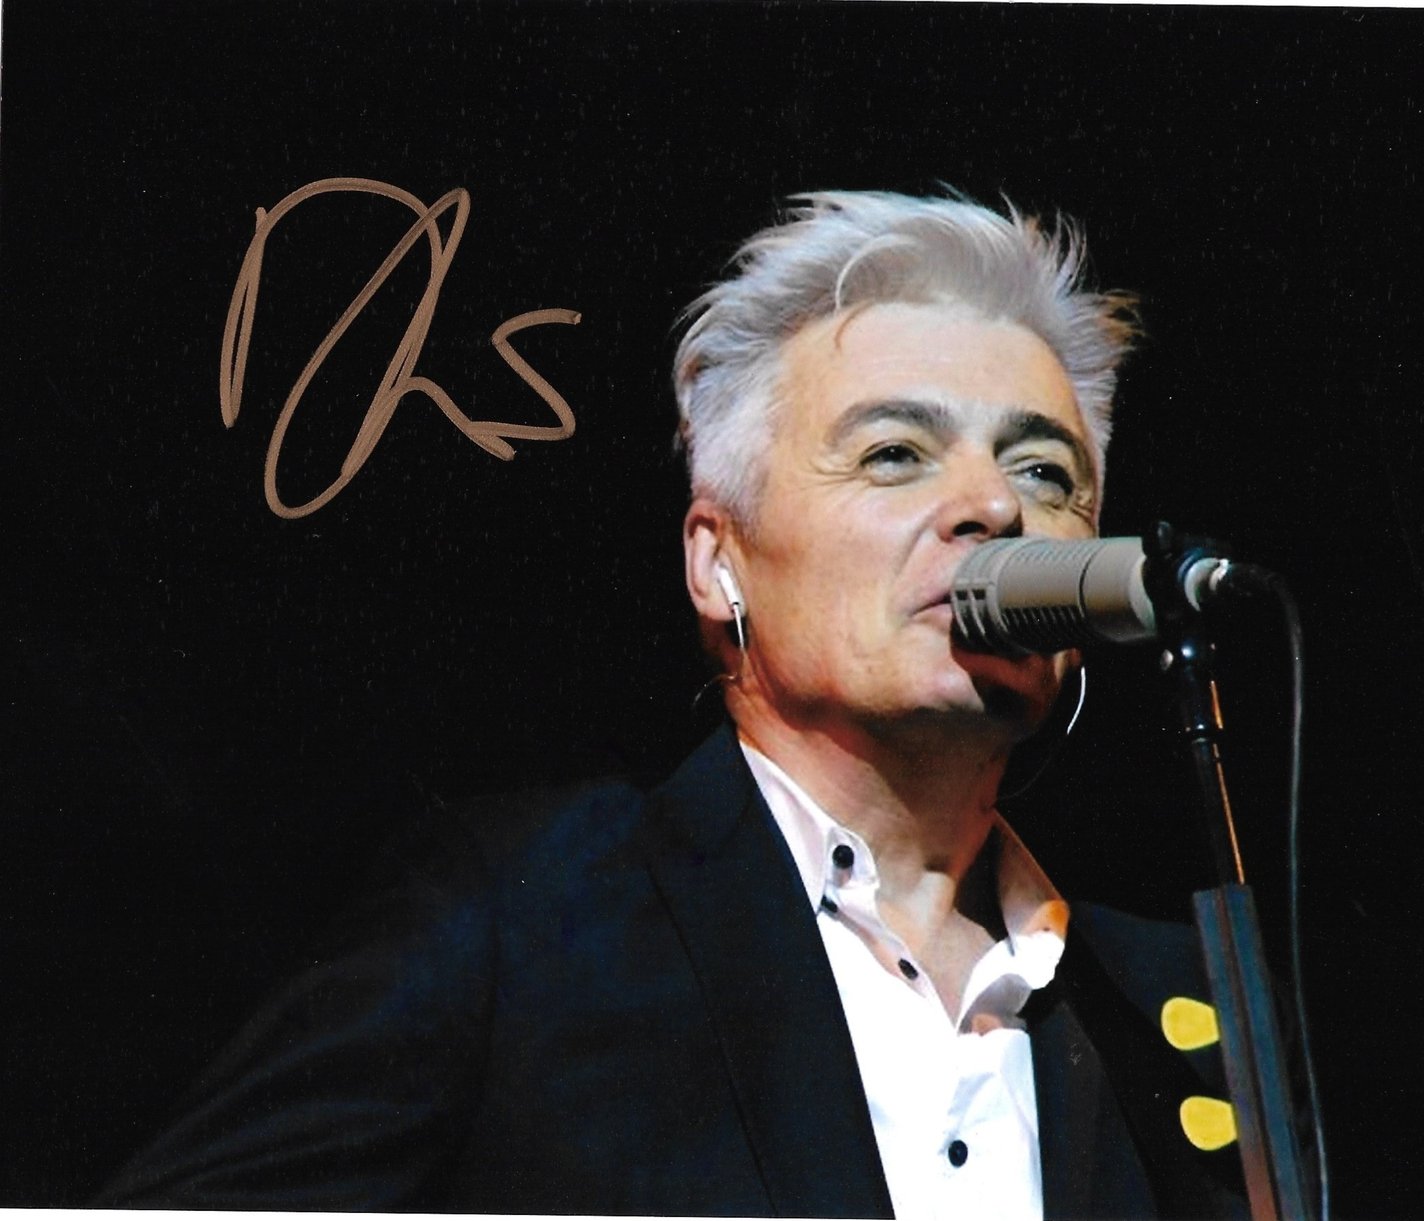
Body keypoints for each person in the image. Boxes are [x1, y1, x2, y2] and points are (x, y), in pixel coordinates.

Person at [97, 192, 1246, 1218]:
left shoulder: (1175, 1005)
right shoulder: (526, 916)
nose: (993, 506)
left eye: (1045, 472)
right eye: (895, 453)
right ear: (717, 562)